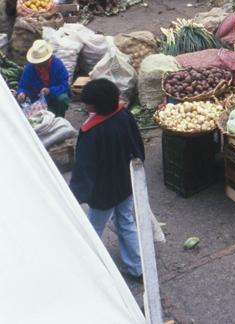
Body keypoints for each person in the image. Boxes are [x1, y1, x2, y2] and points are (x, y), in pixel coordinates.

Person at [70, 78, 145, 281]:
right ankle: (138, 267)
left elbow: (84, 167)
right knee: (126, 222)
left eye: (87, 103)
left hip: (104, 192)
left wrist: (76, 195)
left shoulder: (91, 131)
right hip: (126, 182)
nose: (85, 106)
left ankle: (85, 268)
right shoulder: (124, 115)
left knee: (93, 230)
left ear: (96, 106)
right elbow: (136, 143)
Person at [16, 39, 71, 117]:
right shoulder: (29, 68)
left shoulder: (57, 64)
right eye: (37, 63)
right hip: (36, 100)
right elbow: (23, 86)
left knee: (62, 99)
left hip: (55, 97)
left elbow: (64, 84)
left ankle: (59, 117)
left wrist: (50, 91)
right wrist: (22, 93)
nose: (40, 65)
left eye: (42, 63)